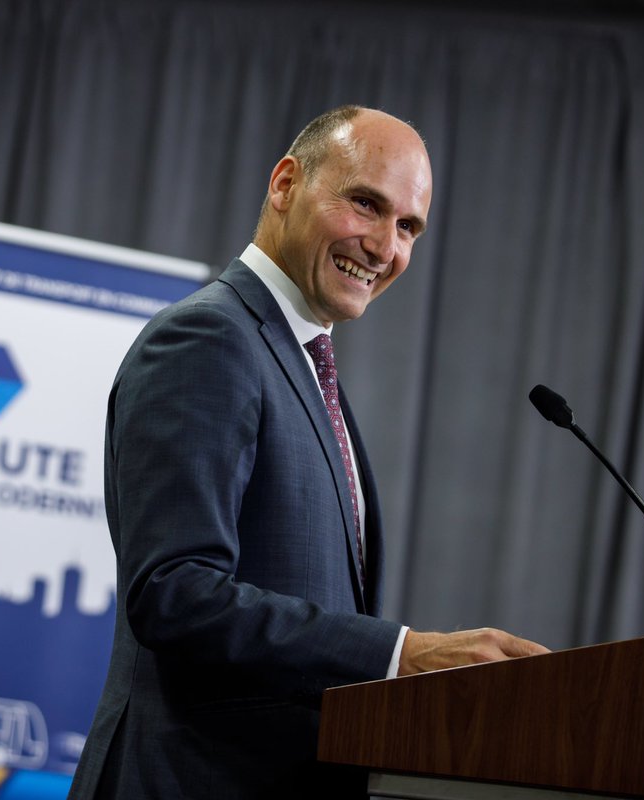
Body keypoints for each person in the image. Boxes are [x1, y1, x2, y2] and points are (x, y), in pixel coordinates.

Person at [67, 105, 547, 800]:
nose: (384, 246)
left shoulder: (304, 363)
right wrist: (401, 654)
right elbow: (174, 592)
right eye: (366, 204)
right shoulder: (208, 339)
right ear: (286, 184)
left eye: (408, 227)